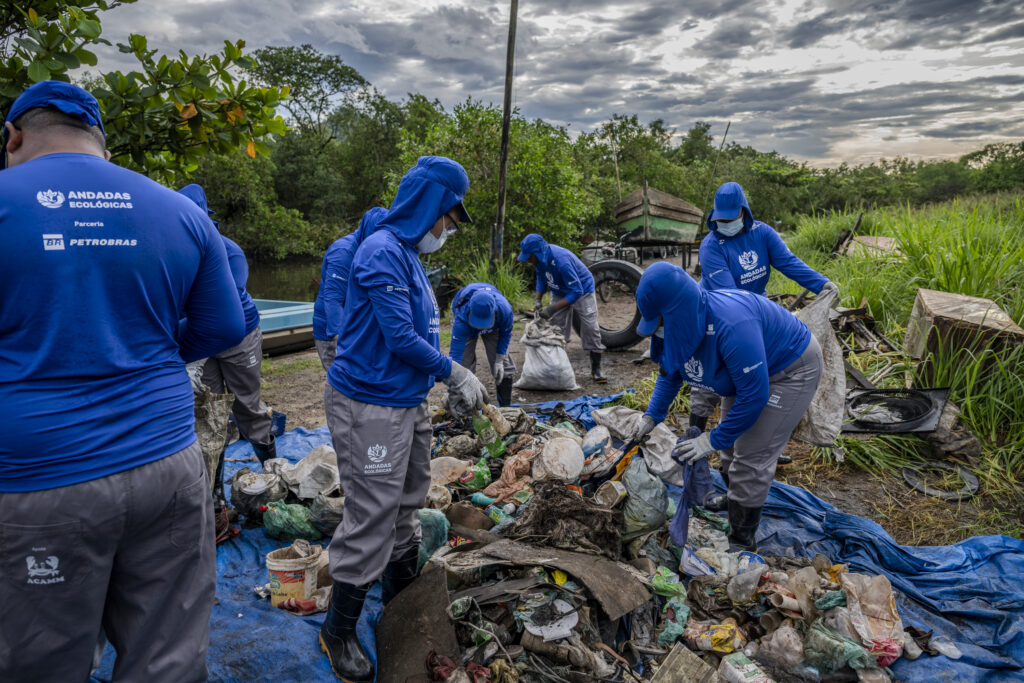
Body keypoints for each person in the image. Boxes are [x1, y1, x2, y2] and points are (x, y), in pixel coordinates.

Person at [0, 81, 245, 681]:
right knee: (168, 654)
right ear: (102, 145)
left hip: (40, 479)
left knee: (42, 659)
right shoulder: (180, 211)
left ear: (13, 136)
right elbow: (224, 325)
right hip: (167, 461)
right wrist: (156, 358)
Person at [320, 156, 486, 682]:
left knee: (409, 499)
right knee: (372, 513)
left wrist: (437, 381)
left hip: (404, 400)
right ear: (428, 207)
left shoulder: (409, 254)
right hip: (370, 403)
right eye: (448, 218)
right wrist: (453, 372)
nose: (448, 230)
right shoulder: (380, 252)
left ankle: (398, 601)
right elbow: (399, 338)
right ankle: (338, 629)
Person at [626, 262, 822, 552]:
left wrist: (711, 439)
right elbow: (671, 371)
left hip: (788, 368)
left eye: (661, 324)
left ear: (678, 314)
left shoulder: (731, 325)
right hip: (743, 371)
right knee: (731, 448)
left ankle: (741, 541)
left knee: (752, 455)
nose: (659, 332)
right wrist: (650, 417)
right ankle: (734, 500)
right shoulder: (682, 324)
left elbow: (754, 396)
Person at [690, 181, 837, 441]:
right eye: (719, 218)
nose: (724, 223)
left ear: (743, 211)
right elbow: (731, 297)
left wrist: (821, 283)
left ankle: (754, 440)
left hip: (755, 314)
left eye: (730, 217)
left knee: (752, 378)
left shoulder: (762, 234)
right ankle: (694, 436)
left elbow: (788, 262)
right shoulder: (711, 246)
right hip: (717, 316)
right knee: (708, 379)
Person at [178, 184, 278, 464]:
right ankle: (215, 491)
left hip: (239, 334)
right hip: (201, 337)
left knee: (247, 404)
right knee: (209, 409)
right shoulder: (176, 251)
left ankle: (272, 477)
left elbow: (224, 307)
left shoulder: (229, 251)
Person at [517, 233, 608, 383]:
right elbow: (541, 277)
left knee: (590, 328)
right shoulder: (539, 260)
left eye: (529, 256)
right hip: (559, 290)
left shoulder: (561, 260)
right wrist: (538, 300)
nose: (527, 259)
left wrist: (552, 308)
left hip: (582, 290)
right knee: (556, 329)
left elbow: (576, 291)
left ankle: (596, 369)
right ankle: (559, 367)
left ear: (537, 252)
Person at [313, 206, 389, 371]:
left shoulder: (375, 250)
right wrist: (345, 344)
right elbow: (333, 301)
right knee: (342, 381)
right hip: (332, 330)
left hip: (356, 326)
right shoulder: (343, 254)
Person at [449, 282, 517, 406]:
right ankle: (465, 412)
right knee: (463, 366)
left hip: (494, 326)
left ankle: (505, 408)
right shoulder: (462, 315)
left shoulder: (504, 310)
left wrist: (499, 360)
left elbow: (505, 334)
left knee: (504, 367)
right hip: (467, 324)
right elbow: (456, 353)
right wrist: (453, 382)